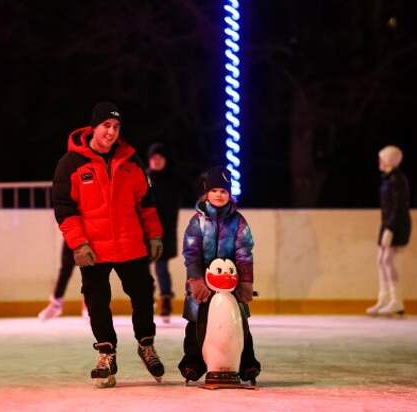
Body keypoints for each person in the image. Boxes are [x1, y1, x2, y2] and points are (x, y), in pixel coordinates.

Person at [52, 101, 165, 388]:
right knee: (96, 299)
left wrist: (154, 235)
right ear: (94, 127)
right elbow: (65, 209)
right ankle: (106, 352)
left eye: (116, 127)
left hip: (131, 244)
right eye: (106, 126)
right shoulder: (71, 164)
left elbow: (147, 204)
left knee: (143, 294)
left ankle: (146, 345)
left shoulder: (132, 161)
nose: (111, 132)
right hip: (94, 248)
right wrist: (78, 244)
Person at [177, 166, 261, 385]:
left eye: (223, 191)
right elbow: (191, 252)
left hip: (230, 280)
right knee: (196, 322)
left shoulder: (238, 222)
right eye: (214, 190)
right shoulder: (198, 222)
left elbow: (244, 253)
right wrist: (195, 280)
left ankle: (246, 363)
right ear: (206, 193)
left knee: (239, 321)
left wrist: (245, 282)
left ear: (229, 194)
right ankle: (193, 362)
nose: (219, 195)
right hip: (202, 281)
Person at [366, 145, 411, 316]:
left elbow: (399, 207)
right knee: (381, 260)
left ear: (389, 160)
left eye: (381, 158)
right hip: (387, 223)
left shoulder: (397, 180)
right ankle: (383, 298)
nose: (379, 161)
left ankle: (396, 300)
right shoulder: (388, 178)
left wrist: (390, 228)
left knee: (387, 260)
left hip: (396, 224)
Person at [146, 143, 181, 322]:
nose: (157, 161)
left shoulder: (172, 180)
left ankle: (165, 300)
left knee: (161, 268)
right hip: (144, 232)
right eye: (154, 158)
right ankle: (146, 300)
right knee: (142, 270)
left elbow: (171, 210)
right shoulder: (144, 179)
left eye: (160, 158)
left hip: (164, 233)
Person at [37, 241, 88, 321]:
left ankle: (89, 305)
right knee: (65, 270)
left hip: (89, 237)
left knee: (89, 271)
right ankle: (56, 305)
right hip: (71, 235)